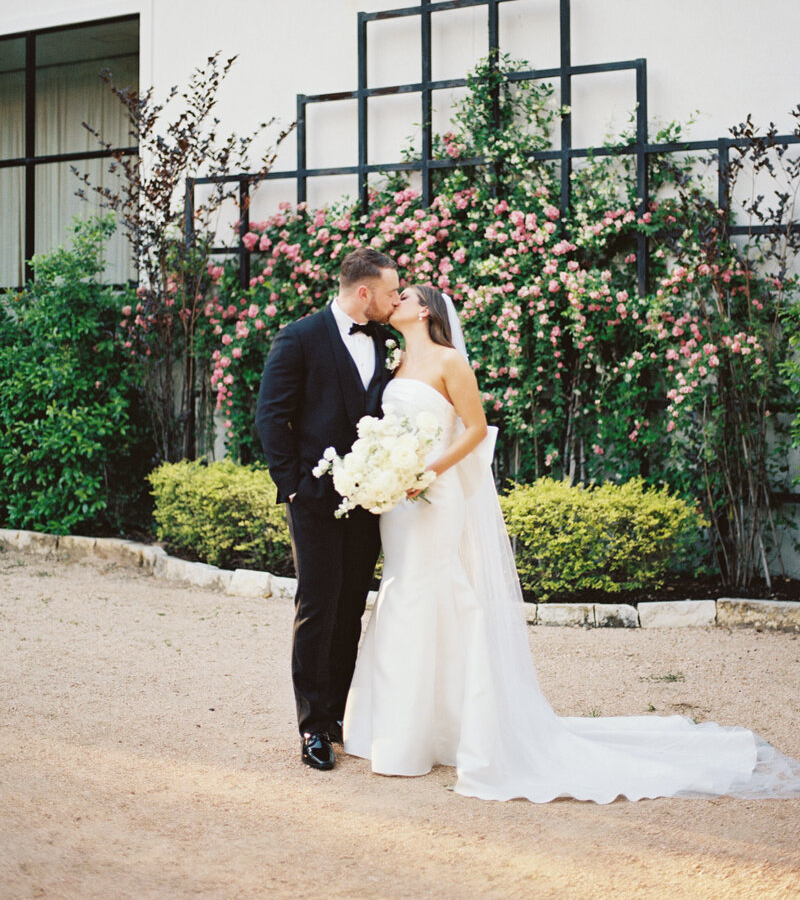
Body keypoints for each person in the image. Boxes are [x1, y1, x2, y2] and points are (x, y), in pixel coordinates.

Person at [343, 284, 800, 802]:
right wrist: (383, 470)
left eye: (403, 295)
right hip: (399, 503)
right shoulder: (396, 363)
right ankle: (401, 729)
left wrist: (428, 470)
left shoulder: (450, 362)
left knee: (430, 593)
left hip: (434, 492)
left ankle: (446, 732)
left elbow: (475, 429)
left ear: (424, 310)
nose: (394, 300)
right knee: (401, 594)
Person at [256, 247, 400, 771]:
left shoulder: (389, 342)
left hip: (371, 500)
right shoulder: (299, 337)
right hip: (313, 500)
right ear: (364, 292)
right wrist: (292, 487)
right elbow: (271, 417)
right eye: (390, 291)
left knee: (349, 610)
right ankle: (313, 728)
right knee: (317, 607)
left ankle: (339, 716)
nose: (396, 299)